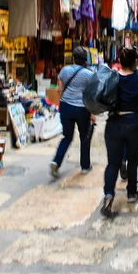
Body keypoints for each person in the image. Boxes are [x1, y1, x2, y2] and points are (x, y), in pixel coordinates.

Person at [101, 47, 138, 218]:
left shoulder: (113, 77)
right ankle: (131, 193)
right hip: (134, 124)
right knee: (133, 161)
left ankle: (109, 196)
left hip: (114, 124)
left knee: (113, 163)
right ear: (136, 62)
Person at [50, 47, 95, 178]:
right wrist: (92, 113)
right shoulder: (89, 74)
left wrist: (61, 104)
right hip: (82, 108)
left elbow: (60, 89)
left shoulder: (65, 70)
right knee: (84, 138)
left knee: (67, 136)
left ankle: (56, 161)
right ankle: (85, 166)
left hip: (66, 107)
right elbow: (91, 95)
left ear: (73, 58)